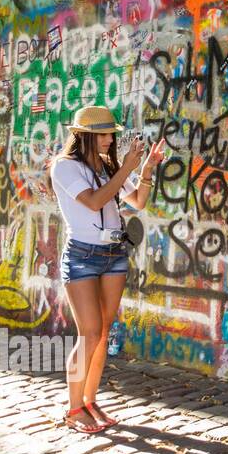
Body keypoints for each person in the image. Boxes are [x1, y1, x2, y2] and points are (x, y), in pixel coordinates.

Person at [49, 106, 165, 434]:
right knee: (89, 332)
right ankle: (73, 409)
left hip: (114, 254)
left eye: (111, 134)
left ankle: (89, 400)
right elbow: (95, 201)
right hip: (82, 256)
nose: (109, 139)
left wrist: (145, 169)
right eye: (102, 134)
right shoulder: (64, 166)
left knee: (102, 333)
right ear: (83, 136)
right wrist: (126, 167)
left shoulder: (107, 165)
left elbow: (138, 201)